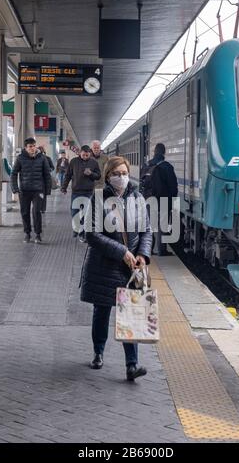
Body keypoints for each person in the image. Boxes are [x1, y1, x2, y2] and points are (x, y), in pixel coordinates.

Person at [80, 156, 152, 381]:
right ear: (108, 176)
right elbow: (91, 234)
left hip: (130, 268)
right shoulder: (98, 198)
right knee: (102, 311)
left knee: (131, 313)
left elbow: (146, 230)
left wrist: (142, 254)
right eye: (116, 173)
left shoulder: (138, 198)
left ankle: (132, 365)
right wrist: (121, 252)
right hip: (104, 264)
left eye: (124, 172)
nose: (121, 177)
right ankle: (98, 353)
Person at [10, 137, 51, 243]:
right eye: (30, 147)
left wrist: (47, 190)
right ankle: (27, 233)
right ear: (26, 148)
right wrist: (15, 188)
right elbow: (13, 174)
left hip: (38, 190)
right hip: (24, 191)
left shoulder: (42, 158)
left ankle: (38, 234)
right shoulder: (20, 158)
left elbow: (47, 175)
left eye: (34, 146)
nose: (32, 148)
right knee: (25, 212)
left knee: (37, 212)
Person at [141, 143, 178, 256]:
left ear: (154, 152)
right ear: (164, 152)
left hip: (148, 198)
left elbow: (142, 182)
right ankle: (162, 250)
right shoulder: (167, 166)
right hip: (163, 199)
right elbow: (173, 186)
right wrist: (172, 200)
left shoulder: (146, 165)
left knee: (150, 226)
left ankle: (149, 250)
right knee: (163, 225)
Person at [61, 145, 101, 237]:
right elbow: (68, 175)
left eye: (87, 155)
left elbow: (98, 176)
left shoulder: (93, 162)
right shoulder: (73, 162)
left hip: (88, 191)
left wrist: (91, 174)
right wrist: (64, 187)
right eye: (83, 155)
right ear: (80, 153)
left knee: (86, 213)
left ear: (90, 154)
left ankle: (82, 229)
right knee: (74, 211)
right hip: (76, 191)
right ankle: (76, 228)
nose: (85, 157)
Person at [38, 146, 55, 213]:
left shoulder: (48, 158)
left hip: (44, 179)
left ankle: (43, 209)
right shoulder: (34, 158)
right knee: (37, 194)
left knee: (43, 195)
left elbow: (52, 167)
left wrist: (48, 170)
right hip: (37, 179)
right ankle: (38, 207)